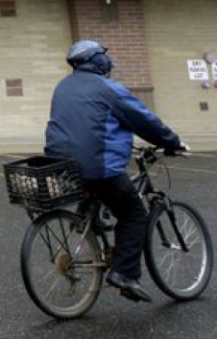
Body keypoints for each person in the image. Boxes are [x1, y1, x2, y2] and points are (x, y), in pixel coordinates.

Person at [44, 39, 187, 303]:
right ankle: (124, 274)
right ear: (96, 60)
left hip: (61, 165)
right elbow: (144, 120)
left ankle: (90, 220)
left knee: (98, 191)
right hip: (97, 166)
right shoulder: (109, 89)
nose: (108, 60)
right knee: (134, 215)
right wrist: (172, 142)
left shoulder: (63, 86)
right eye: (103, 56)